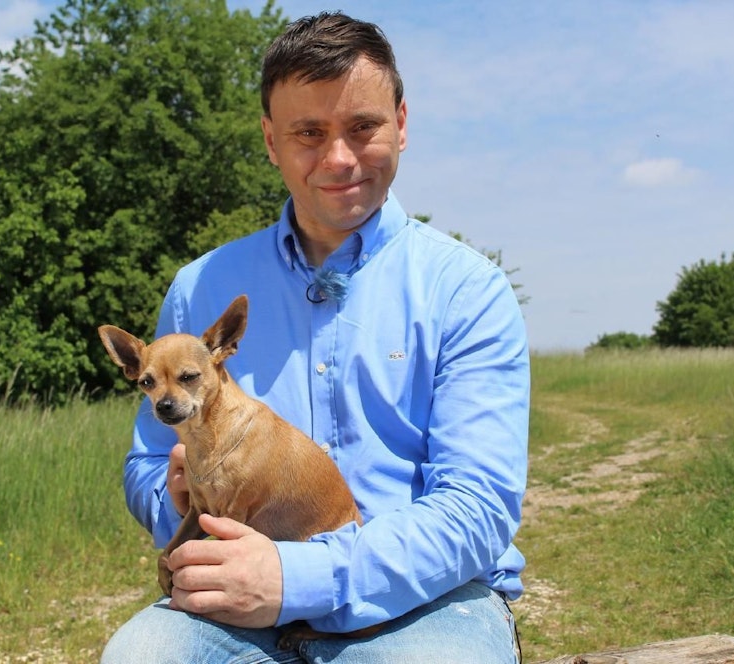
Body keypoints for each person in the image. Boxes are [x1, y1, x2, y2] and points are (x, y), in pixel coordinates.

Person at [101, 11, 528, 664]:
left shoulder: (467, 289)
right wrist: (177, 495)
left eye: (363, 127)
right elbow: (144, 465)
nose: (338, 158)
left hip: (427, 599)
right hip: (234, 591)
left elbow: (476, 512)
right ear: (271, 141)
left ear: (402, 125)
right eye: (308, 132)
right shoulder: (201, 286)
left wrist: (298, 577)